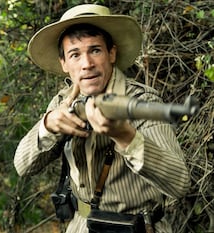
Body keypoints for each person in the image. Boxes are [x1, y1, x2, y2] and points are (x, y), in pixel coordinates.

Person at [14, 4, 190, 233]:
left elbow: (180, 184)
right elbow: (22, 167)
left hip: (138, 228)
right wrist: (47, 127)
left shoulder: (142, 101)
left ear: (112, 53)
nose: (87, 64)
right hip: (81, 225)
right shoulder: (62, 102)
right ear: (64, 64)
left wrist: (126, 137)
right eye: (75, 54)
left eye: (95, 50)